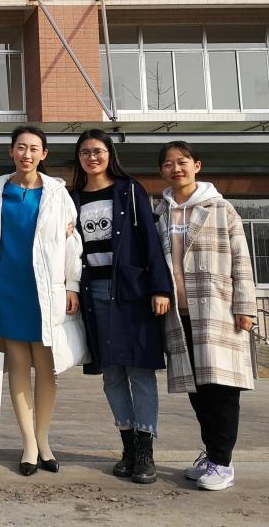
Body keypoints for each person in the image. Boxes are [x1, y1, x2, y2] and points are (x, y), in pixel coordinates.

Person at [0, 125, 87, 476]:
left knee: (47, 367)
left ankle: (44, 441)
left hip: (45, 293)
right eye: (21, 147)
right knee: (18, 367)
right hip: (8, 290)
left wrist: (72, 285)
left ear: (44, 154)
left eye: (34, 148)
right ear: (11, 151)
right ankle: (28, 444)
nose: (27, 154)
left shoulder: (57, 193)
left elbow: (72, 243)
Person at [70, 129, 172, 484]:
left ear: (109, 154)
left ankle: (145, 451)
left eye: (98, 151)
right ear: (79, 158)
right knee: (111, 372)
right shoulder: (72, 198)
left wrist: (160, 288)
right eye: (85, 152)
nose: (92, 157)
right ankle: (127, 446)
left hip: (132, 292)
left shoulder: (129, 190)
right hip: (93, 293)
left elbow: (150, 241)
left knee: (139, 370)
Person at [154, 141, 255, 491]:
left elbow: (241, 259)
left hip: (218, 310)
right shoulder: (161, 214)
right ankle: (212, 455)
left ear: (197, 165)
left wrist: (245, 306)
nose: (176, 168)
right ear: (162, 171)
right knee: (197, 391)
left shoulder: (220, 208)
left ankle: (223, 463)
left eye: (182, 161)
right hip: (179, 315)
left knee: (222, 390)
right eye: (168, 164)